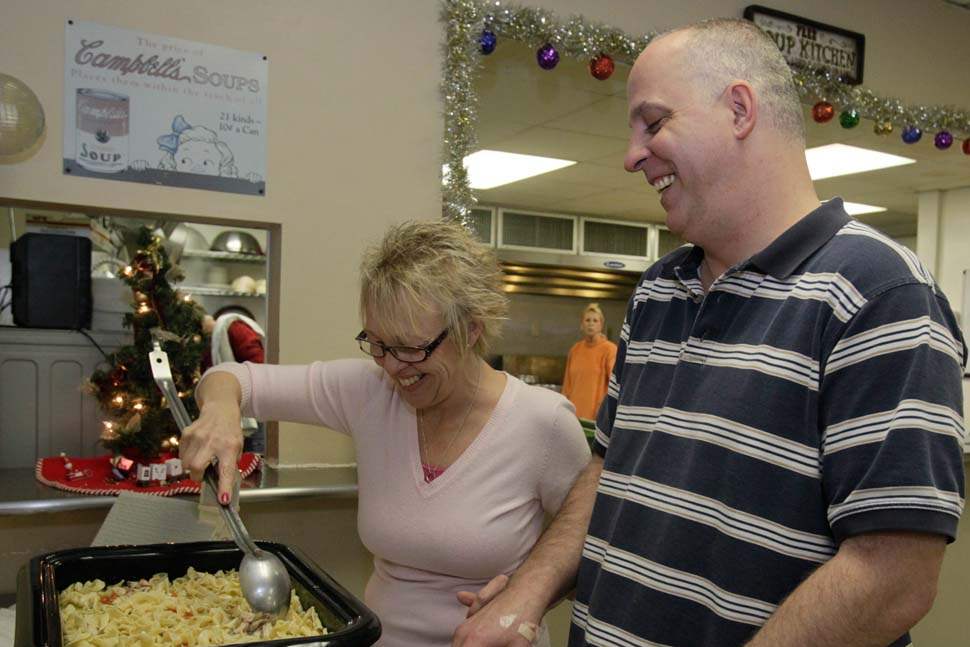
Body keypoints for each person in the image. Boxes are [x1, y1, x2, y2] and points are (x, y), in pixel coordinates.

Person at [453, 18, 966, 647]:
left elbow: (894, 576)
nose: (632, 154)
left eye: (654, 122)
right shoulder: (657, 290)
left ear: (740, 109)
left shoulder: (880, 293)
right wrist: (530, 589)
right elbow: (609, 469)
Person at [180, 219, 591, 647]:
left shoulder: (542, 423)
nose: (393, 367)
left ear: (471, 329)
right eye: (377, 344)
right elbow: (233, 378)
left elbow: (589, 546)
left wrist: (529, 595)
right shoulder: (368, 392)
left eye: (412, 347)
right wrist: (221, 411)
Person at [201, 304, 267, 454]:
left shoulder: (235, 329)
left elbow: (259, 363)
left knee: (251, 455)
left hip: (251, 406)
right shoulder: (213, 339)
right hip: (228, 406)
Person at [561, 303, 617, 420]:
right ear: (581, 324)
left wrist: (605, 411)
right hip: (573, 416)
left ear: (601, 325)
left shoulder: (610, 350)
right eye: (587, 320)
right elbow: (567, 385)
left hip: (597, 418)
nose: (591, 323)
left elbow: (615, 385)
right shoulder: (575, 350)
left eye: (595, 320)